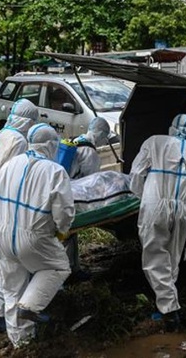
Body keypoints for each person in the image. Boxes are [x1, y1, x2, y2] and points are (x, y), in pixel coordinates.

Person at [0, 123, 74, 347]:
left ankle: (22, 342)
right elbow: (64, 211)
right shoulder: (54, 171)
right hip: (34, 237)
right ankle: (30, 305)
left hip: (4, 234)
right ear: (50, 145)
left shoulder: (9, 165)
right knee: (58, 266)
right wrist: (62, 230)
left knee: (12, 287)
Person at [129, 114, 186, 332]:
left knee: (155, 256)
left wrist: (140, 196)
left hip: (155, 205)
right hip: (182, 209)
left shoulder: (154, 142)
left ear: (171, 127)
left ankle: (170, 310)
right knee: (172, 256)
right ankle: (167, 301)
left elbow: (136, 175)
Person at [0, 99, 38, 334]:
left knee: (1, 256)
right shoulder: (18, 141)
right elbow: (14, 178)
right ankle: (17, 326)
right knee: (11, 263)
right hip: (1, 205)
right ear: (28, 120)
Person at [61, 117, 111, 280]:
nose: (105, 141)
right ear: (101, 134)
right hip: (73, 196)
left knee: (68, 234)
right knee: (68, 235)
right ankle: (68, 272)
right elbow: (92, 183)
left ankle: (73, 268)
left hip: (63, 191)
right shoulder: (90, 152)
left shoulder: (76, 140)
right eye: (105, 137)